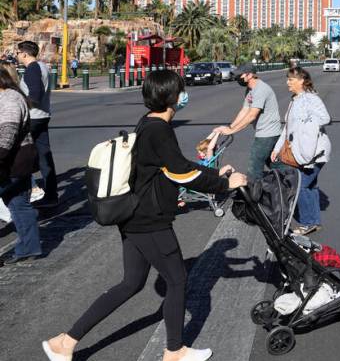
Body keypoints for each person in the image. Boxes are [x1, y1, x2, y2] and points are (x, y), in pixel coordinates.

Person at [43, 70, 247, 361]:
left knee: (131, 283)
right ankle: (174, 351)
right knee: (177, 281)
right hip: (149, 220)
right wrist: (225, 184)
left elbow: (173, 165)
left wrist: (214, 172)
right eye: (181, 90)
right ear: (172, 97)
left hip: (134, 216)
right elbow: (181, 172)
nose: (184, 94)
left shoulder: (148, 123)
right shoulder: (159, 130)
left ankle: (65, 342)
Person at [271, 67, 331, 236]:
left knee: (301, 185)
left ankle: (307, 222)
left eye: (291, 79)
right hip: (302, 152)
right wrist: (277, 148)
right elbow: (287, 128)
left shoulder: (310, 99)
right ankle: (314, 221)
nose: (287, 82)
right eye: (288, 79)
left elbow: (325, 118)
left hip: (315, 152)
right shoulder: (294, 100)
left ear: (302, 81)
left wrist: (306, 126)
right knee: (310, 185)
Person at [210, 63, 282, 182]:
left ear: (249, 75)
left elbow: (251, 116)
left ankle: (254, 196)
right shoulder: (250, 90)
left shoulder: (261, 89)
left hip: (268, 134)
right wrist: (229, 127)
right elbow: (244, 111)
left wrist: (232, 130)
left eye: (240, 75)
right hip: (264, 132)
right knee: (273, 163)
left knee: (254, 167)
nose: (238, 78)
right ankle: (290, 180)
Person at [0, 60, 41, 266]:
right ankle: (28, 247)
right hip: (19, 160)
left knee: (19, 204)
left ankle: (28, 247)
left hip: (11, 162)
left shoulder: (9, 99)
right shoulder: (9, 97)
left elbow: (6, 136)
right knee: (18, 204)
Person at [16, 41, 57, 208]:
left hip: (31, 118)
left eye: (17, 53)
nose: (17, 56)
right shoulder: (42, 66)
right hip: (43, 116)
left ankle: (31, 189)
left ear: (24, 54)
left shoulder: (32, 69)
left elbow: (36, 94)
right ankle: (51, 195)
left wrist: (19, 102)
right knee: (44, 156)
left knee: (19, 154)